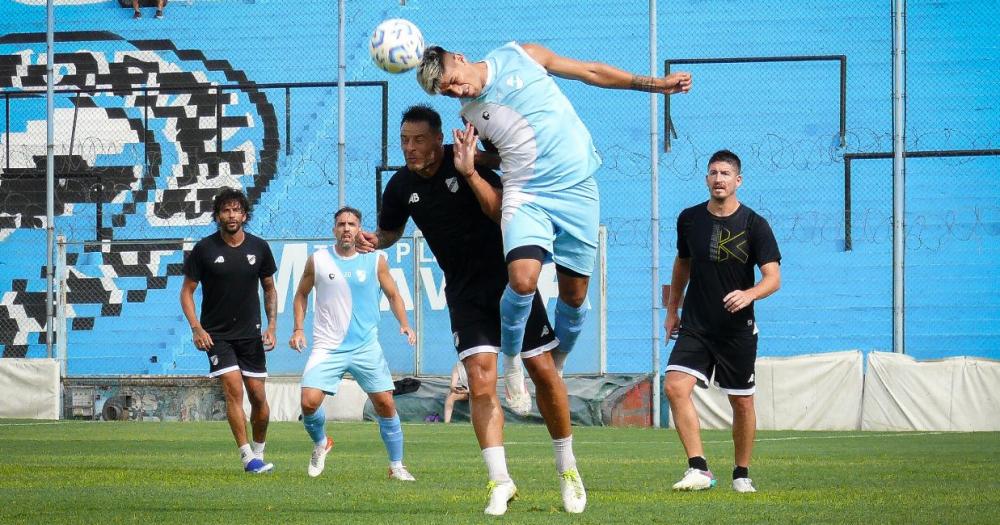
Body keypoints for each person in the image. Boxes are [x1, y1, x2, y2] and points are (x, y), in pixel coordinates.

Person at [356, 105, 584, 515]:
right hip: (463, 293)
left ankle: (567, 468)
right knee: (480, 382)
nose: (410, 147)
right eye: (405, 140)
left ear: (437, 139)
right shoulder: (399, 186)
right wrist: (378, 240)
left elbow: (499, 211)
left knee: (545, 373)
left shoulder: (467, 160)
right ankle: (500, 481)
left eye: (419, 139)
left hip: (511, 282)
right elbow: (391, 230)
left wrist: (470, 173)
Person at [416, 43, 692, 375]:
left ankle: (559, 358)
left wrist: (656, 85)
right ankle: (513, 360)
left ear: (460, 58)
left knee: (574, 297)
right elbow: (508, 156)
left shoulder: (520, 55)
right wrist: (475, 160)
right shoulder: (471, 114)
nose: (458, 91)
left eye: (454, 81)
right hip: (527, 193)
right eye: (447, 93)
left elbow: (590, 71)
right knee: (521, 280)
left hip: (576, 187)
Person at [663, 150, 782, 494]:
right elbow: (682, 265)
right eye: (713, 173)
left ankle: (741, 472)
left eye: (726, 173)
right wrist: (673, 311)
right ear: (706, 179)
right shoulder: (689, 219)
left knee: (742, 402)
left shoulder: (755, 224)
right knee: (674, 386)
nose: (719, 179)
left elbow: (773, 278)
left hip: (736, 330)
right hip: (696, 325)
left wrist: (749, 294)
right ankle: (698, 468)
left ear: (738, 181)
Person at [289, 206, 417, 482]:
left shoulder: (376, 260)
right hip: (327, 346)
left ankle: (396, 465)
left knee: (385, 403)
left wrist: (404, 323)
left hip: (365, 347)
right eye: (341, 224)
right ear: (334, 229)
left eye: (352, 224)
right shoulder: (319, 260)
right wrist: (298, 329)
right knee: (308, 402)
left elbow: (394, 294)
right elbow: (301, 294)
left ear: (360, 229)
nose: (346, 228)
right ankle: (321, 442)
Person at [180, 187, 277, 474]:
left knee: (258, 397)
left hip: (251, 335)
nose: (231, 215)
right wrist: (197, 328)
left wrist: (272, 326)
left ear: (245, 215)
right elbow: (186, 292)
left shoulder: (259, 247)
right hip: (218, 336)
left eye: (236, 210)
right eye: (226, 210)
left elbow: (269, 289)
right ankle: (247, 457)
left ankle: (259, 451)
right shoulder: (204, 249)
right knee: (233, 390)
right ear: (218, 215)